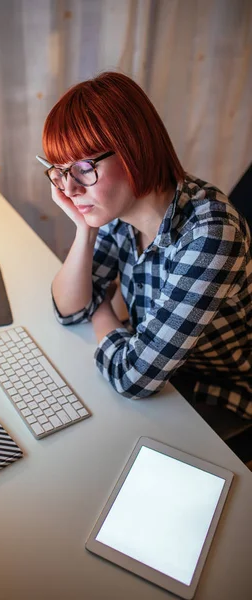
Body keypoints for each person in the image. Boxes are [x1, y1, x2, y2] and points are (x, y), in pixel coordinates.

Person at [37, 71, 252, 420]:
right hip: (166, 378)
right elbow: (69, 309)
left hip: (215, 394)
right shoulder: (121, 210)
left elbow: (131, 378)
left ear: (134, 150)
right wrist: (83, 227)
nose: (70, 189)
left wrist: (103, 311)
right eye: (59, 172)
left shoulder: (211, 236)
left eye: (82, 168)